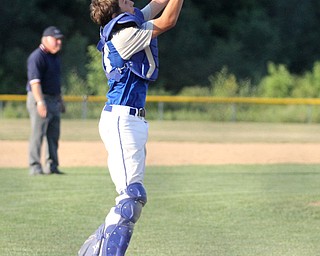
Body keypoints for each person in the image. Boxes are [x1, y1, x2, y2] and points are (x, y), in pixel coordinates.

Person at [78, 0, 184, 255]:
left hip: (128, 120)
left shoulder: (126, 23)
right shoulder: (124, 35)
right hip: (122, 120)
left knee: (130, 198)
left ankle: (98, 245)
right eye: (126, 0)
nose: (133, 2)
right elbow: (168, 20)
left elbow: (157, 4)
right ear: (116, 9)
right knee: (131, 199)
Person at [26, 26, 66, 176]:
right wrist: (40, 102)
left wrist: (60, 100)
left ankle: (52, 167)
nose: (59, 42)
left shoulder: (54, 57)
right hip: (40, 98)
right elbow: (35, 82)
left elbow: (55, 81)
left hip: (54, 99)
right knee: (38, 134)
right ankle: (35, 166)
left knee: (53, 135)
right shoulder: (37, 57)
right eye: (56, 39)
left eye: (60, 39)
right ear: (45, 39)